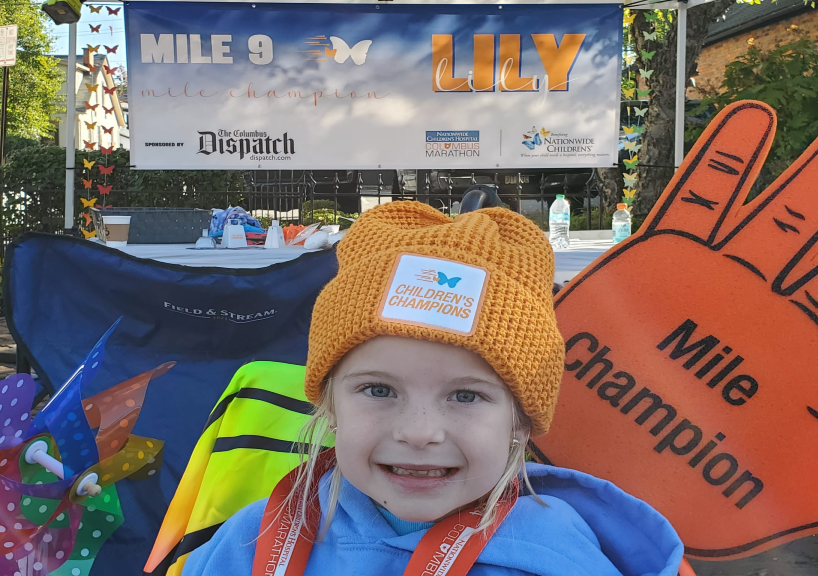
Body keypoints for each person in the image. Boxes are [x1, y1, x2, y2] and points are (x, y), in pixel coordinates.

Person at [183, 202, 684, 576]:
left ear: (520, 421)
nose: (419, 432)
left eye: (465, 396)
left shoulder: (561, 558)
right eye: (379, 390)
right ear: (329, 405)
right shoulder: (253, 542)